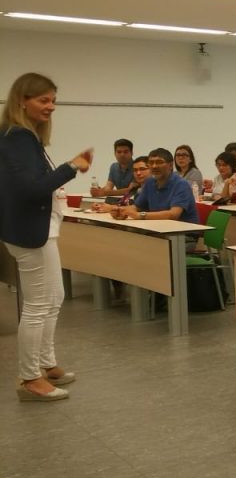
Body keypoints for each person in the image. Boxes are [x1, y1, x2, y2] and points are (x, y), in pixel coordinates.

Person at [0, 72, 93, 401]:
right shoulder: (18, 138)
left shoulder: (25, 138)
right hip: (31, 232)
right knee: (38, 306)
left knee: (54, 298)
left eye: (53, 100)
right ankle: (30, 378)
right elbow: (31, 189)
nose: (51, 106)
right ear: (22, 101)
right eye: (43, 100)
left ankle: (46, 363)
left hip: (39, 229)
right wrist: (71, 166)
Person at [113, 148, 199, 223]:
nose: (154, 166)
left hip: (183, 233)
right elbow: (137, 207)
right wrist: (121, 211)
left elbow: (173, 214)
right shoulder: (149, 182)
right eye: (151, 163)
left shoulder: (181, 184)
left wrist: (140, 215)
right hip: (158, 229)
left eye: (159, 162)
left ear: (170, 165)